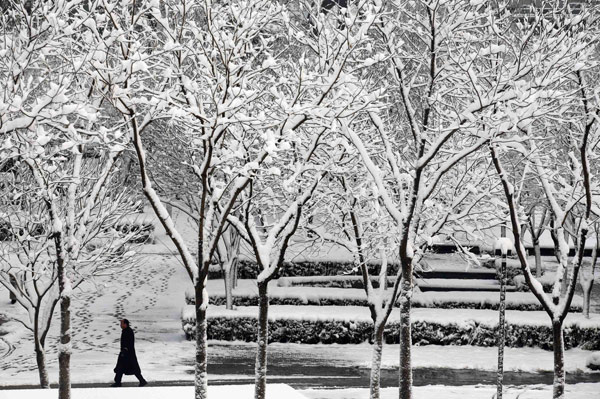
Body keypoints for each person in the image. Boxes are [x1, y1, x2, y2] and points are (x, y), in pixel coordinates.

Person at [111, 319, 147, 387]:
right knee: (121, 368)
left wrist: (125, 350)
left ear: (125, 324)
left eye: (121, 324)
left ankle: (142, 381)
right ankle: (118, 382)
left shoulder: (128, 331)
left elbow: (129, 343)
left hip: (128, 354)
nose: (120, 325)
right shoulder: (126, 331)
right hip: (125, 353)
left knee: (133, 368)